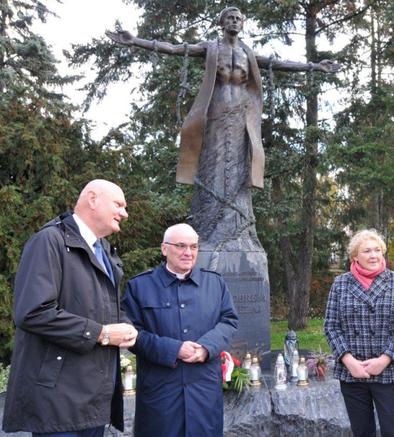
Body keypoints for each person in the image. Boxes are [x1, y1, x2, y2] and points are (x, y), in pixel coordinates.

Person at [106, 7, 338, 250]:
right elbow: (176, 48)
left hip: (241, 115)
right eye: (230, 18)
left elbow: (279, 64)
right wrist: (136, 41)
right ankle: (210, 224)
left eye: (239, 19)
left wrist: (315, 67)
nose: (235, 22)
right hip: (216, 111)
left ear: (242, 24)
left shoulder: (248, 53)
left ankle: (238, 225)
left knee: (239, 164)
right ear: (222, 22)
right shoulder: (212, 47)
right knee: (214, 162)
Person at [2, 179, 138, 436]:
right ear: (93, 199)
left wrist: (126, 326)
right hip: (58, 403)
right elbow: (33, 312)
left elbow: (106, 307)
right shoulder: (49, 241)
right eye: (119, 205)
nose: (124, 213)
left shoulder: (105, 252)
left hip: (92, 400)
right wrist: (103, 333)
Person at [122, 223, 239, 437]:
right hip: (161, 396)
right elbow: (131, 334)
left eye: (194, 247)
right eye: (181, 246)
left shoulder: (215, 283)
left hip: (204, 394)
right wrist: (174, 349)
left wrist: (206, 347)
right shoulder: (139, 286)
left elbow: (229, 321)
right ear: (164, 249)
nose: (188, 253)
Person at [324, 229, 394, 437]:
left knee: (393, 432)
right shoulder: (341, 283)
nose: (373, 255)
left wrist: (384, 360)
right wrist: (349, 361)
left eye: (377, 250)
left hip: (388, 371)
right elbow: (331, 325)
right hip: (353, 373)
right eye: (367, 251)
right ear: (355, 256)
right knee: (362, 432)